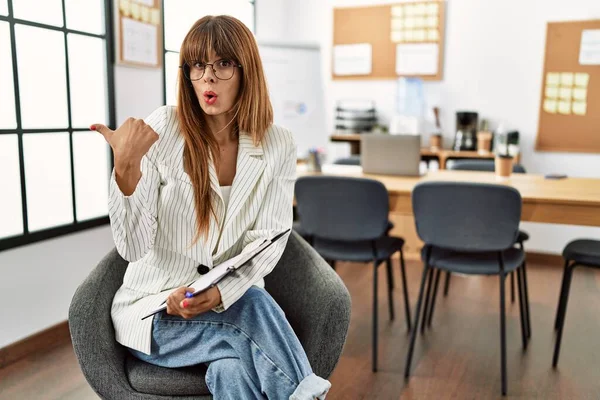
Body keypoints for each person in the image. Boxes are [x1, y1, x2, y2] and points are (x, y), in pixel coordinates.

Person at [92, 15, 331, 400]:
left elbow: (269, 240)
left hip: (230, 307)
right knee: (252, 302)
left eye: (222, 63)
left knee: (232, 369)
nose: (207, 77)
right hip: (157, 318)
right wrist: (125, 170)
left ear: (245, 69)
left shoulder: (278, 144)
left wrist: (220, 293)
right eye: (197, 65)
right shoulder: (164, 129)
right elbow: (132, 250)